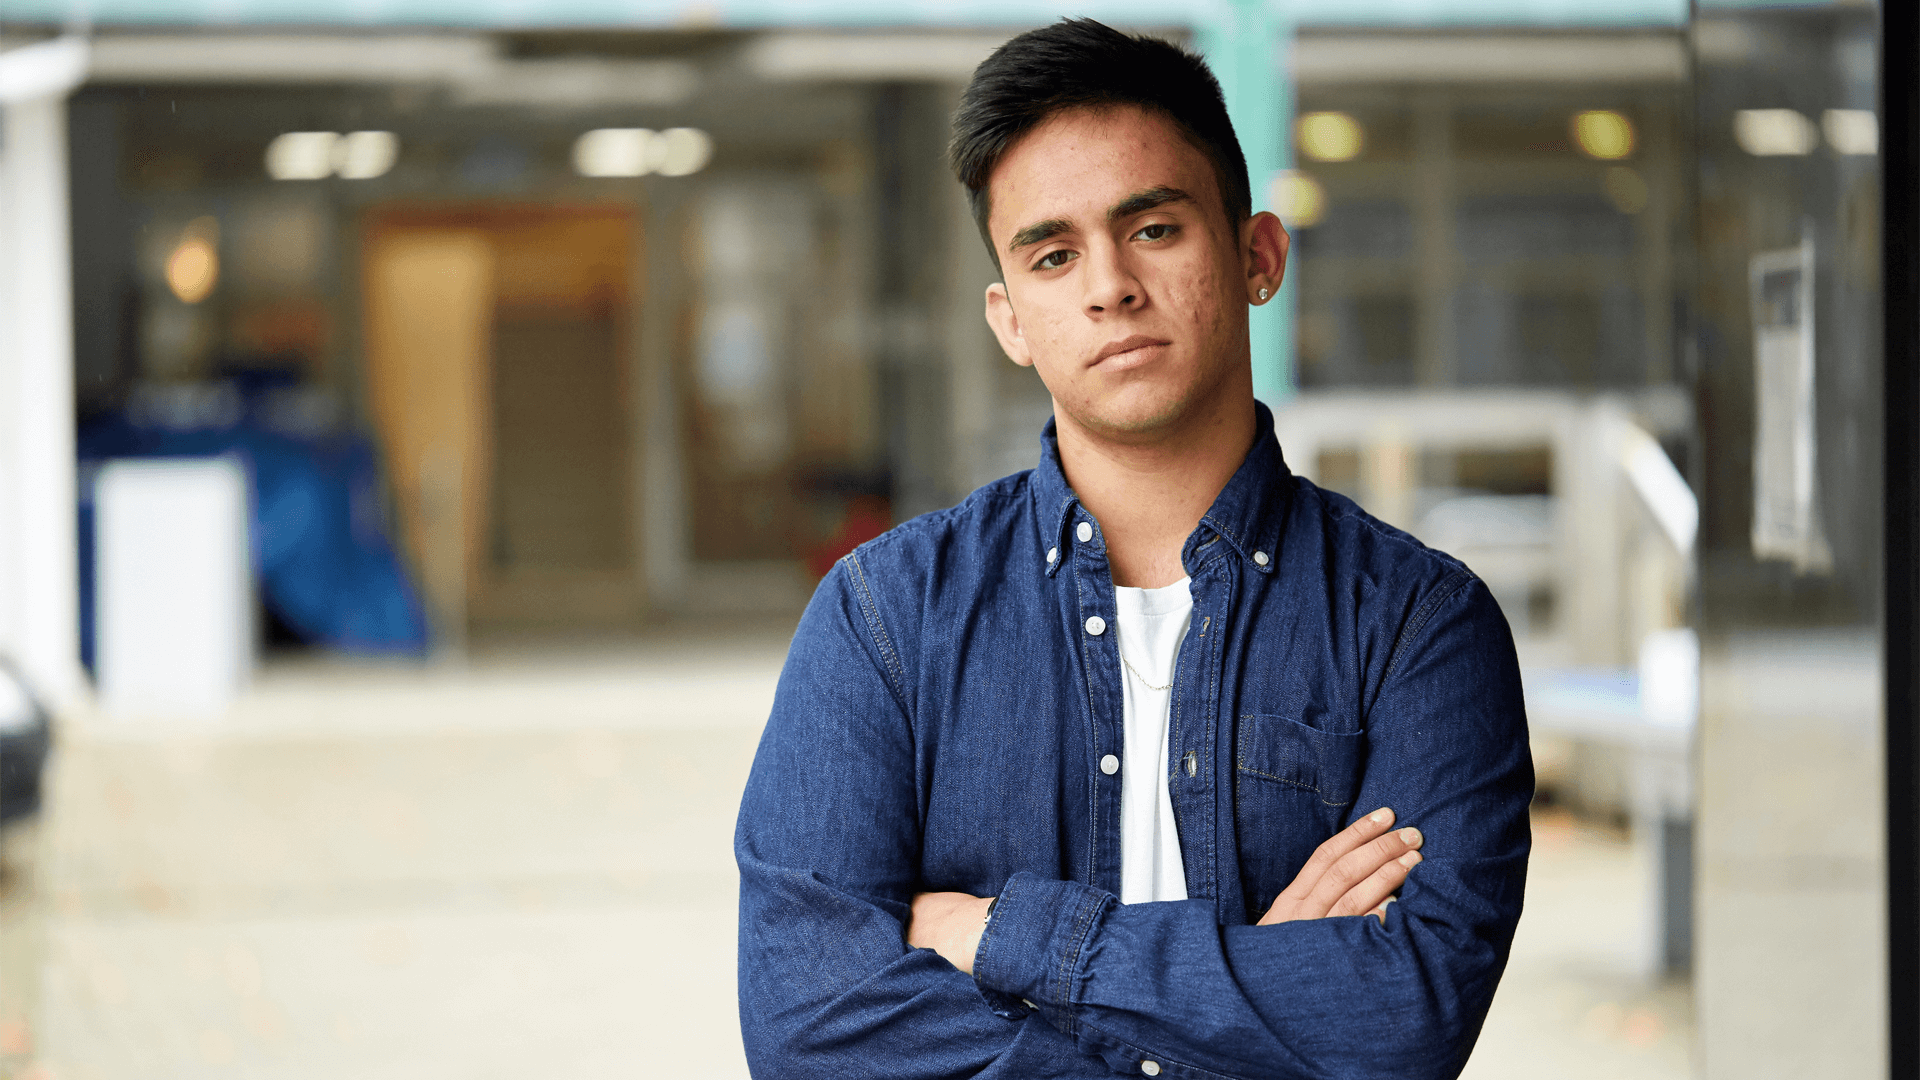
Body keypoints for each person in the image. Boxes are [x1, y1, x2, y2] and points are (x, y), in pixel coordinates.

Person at [735, 19, 1532, 1080]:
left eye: (1152, 228)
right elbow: (809, 1033)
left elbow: (1406, 1021)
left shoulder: (1418, 625)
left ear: (1257, 255)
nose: (1107, 284)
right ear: (1011, 318)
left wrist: (1005, 940)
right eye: (1053, 254)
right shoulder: (886, 616)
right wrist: (1258, 993)